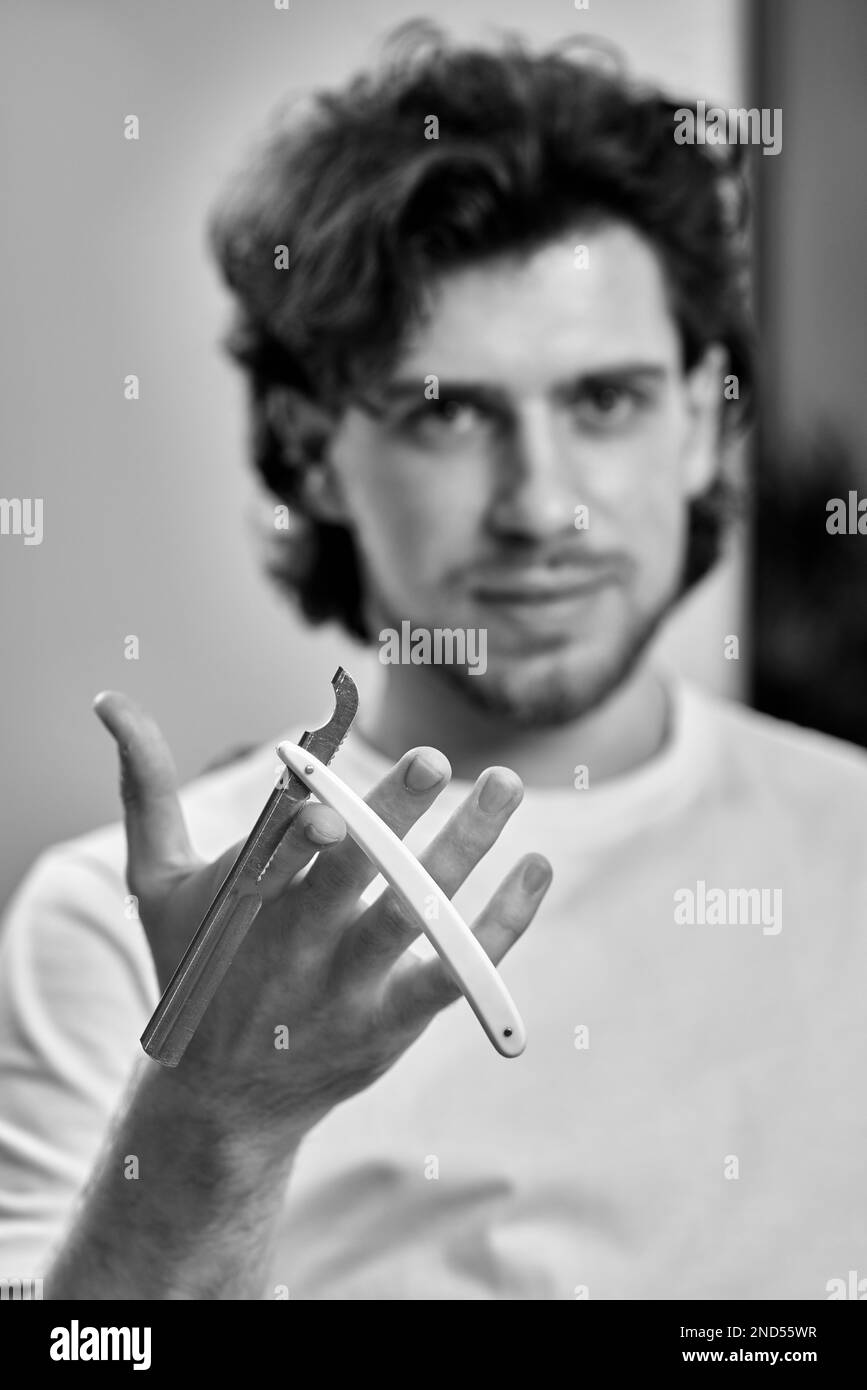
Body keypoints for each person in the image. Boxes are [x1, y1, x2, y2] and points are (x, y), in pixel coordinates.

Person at [2, 27, 866, 1302]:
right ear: (310, 455)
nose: (542, 506)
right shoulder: (125, 933)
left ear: (700, 423)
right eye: (447, 412)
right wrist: (218, 1113)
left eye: (606, 401)